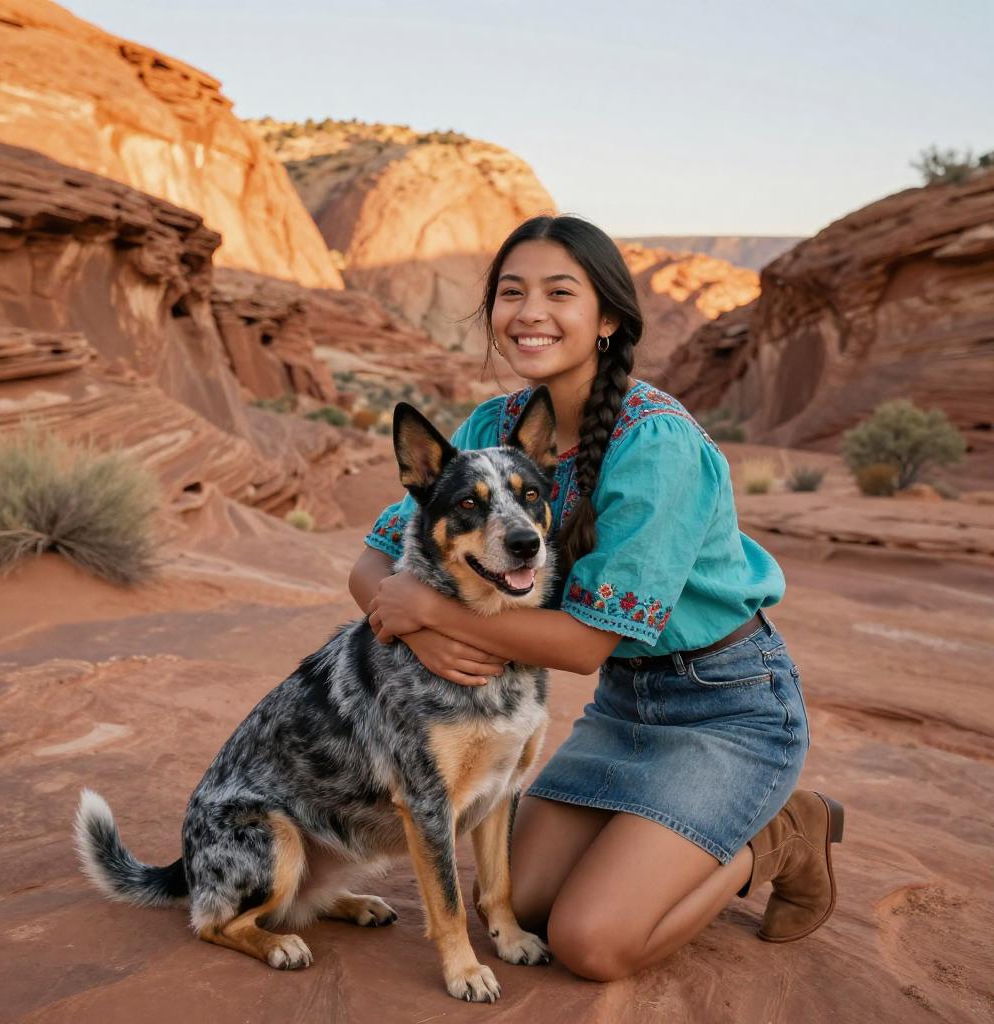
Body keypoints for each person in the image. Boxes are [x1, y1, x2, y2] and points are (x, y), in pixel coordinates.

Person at [348, 215, 842, 982]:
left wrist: (430, 611)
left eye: (559, 293)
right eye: (512, 293)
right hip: (624, 707)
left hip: (727, 708)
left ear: (607, 317)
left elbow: (581, 647)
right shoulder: (494, 426)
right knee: (522, 903)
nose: (530, 313)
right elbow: (374, 562)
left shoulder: (657, 445)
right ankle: (655, 841)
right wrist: (410, 624)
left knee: (590, 944)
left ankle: (779, 838)